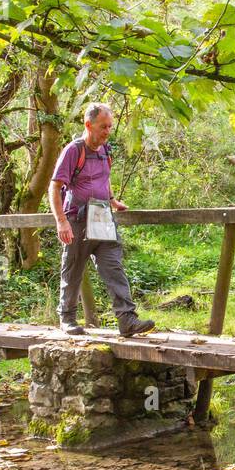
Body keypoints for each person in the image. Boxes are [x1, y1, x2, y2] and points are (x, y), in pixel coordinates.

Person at [49, 102, 155, 337]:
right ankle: (67, 318)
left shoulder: (105, 151)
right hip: (76, 217)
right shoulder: (73, 150)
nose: (107, 131)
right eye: (103, 127)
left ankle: (127, 319)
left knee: (113, 266)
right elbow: (54, 187)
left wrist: (113, 200)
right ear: (88, 125)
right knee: (73, 267)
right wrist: (61, 221)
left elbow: (102, 179)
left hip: (101, 216)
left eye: (109, 127)